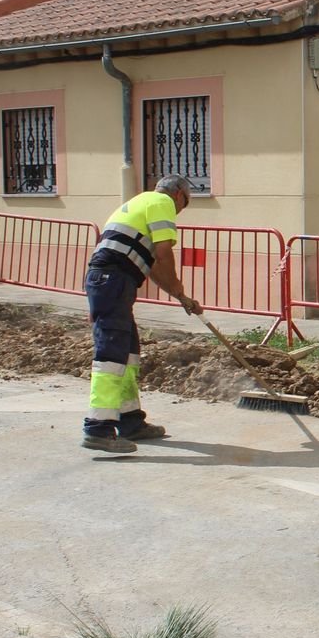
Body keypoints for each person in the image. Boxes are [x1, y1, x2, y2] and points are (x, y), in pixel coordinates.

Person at [81, 175, 203, 454]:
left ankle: (130, 421)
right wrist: (180, 289)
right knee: (112, 356)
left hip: (110, 282)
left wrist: (181, 297)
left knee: (128, 354)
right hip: (113, 280)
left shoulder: (141, 202)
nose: (180, 210)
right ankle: (98, 428)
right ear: (178, 195)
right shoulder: (162, 202)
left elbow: (154, 269)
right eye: (185, 203)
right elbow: (164, 254)